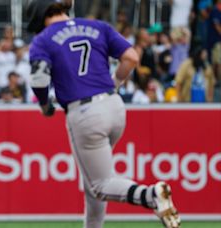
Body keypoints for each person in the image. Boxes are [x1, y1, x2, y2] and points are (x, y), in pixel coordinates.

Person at [26, 1, 180, 228]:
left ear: (39, 16)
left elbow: (39, 80)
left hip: (84, 113)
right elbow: (131, 57)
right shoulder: (97, 26)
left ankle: (150, 195)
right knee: (94, 184)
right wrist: (115, 83)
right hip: (115, 107)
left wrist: (44, 105)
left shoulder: (43, 39)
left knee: (99, 185)